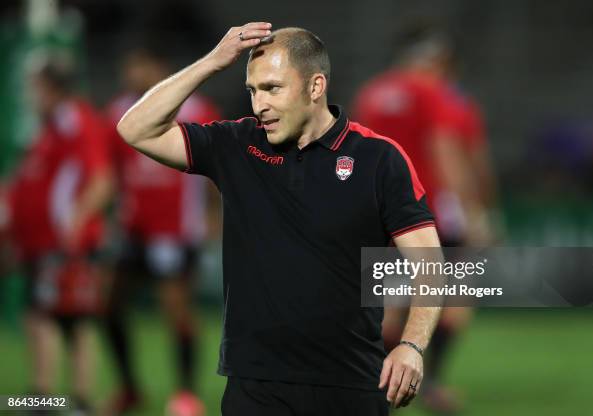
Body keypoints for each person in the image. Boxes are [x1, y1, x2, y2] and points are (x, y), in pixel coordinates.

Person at [116, 22, 442, 415]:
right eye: (253, 90)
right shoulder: (236, 144)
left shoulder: (379, 159)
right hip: (255, 387)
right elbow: (136, 129)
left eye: (273, 88)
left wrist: (411, 345)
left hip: (351, 385)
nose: (259, 105)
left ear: (315, 87)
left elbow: (431, 264)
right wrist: (212, 63)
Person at [352, 23, 498, 413]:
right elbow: (447, 152)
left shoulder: (372, 92)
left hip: (379, 212)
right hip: (428, 212)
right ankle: (427, 382)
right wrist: (474, 212)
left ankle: (372, 382)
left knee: (390, 307)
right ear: (435, 60)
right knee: (456, 301)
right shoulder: (435, 94)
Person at [104, 47, 221, 415]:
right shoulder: (118, 112)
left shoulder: (197, 109)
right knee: (107, 304)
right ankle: (128, 387)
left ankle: (186, 394)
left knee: (177, 310)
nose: (131, 73)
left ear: (160, 66)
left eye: (139, 64)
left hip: (175, 228)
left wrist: (215, 215)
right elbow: (112, 170)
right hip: (132, 227)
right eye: (129, 65)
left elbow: (218, 166)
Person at [5, 53, 113, 414]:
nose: (31, 95)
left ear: (50, 88)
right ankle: (64, 400)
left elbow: (101, 180)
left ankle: (52, 399)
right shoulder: (52, 126)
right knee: (58, 318)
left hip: (66, 242)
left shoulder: (73, 121)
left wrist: (76, 224)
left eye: (35, 87)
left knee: (57, 318)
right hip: (44, 242)